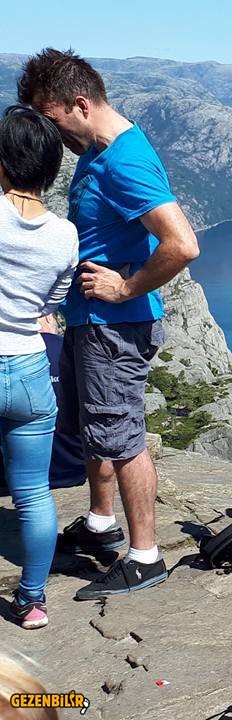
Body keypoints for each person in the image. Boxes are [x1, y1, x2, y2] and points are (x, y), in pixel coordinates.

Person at [17, 49, 200, 600]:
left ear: (79, 103)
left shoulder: (125, 161)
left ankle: (145, 557)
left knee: (122, 438)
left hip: (114, 328)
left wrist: (124, 288)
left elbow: (182, 244)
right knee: (96, 428)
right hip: (89, 321)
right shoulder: (99, 150)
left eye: (50, 119)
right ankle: (101, 523)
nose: (49, 134)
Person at [0, 105, 79, 629]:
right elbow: (54, 300)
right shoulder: (64, 234)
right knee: (32, 492)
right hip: (30, 367)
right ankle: (31, 601)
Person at [0, 315, 87, 496]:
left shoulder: (7, 358)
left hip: (8, 479)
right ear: (47, 318)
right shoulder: (73, 350)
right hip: (73, 471)